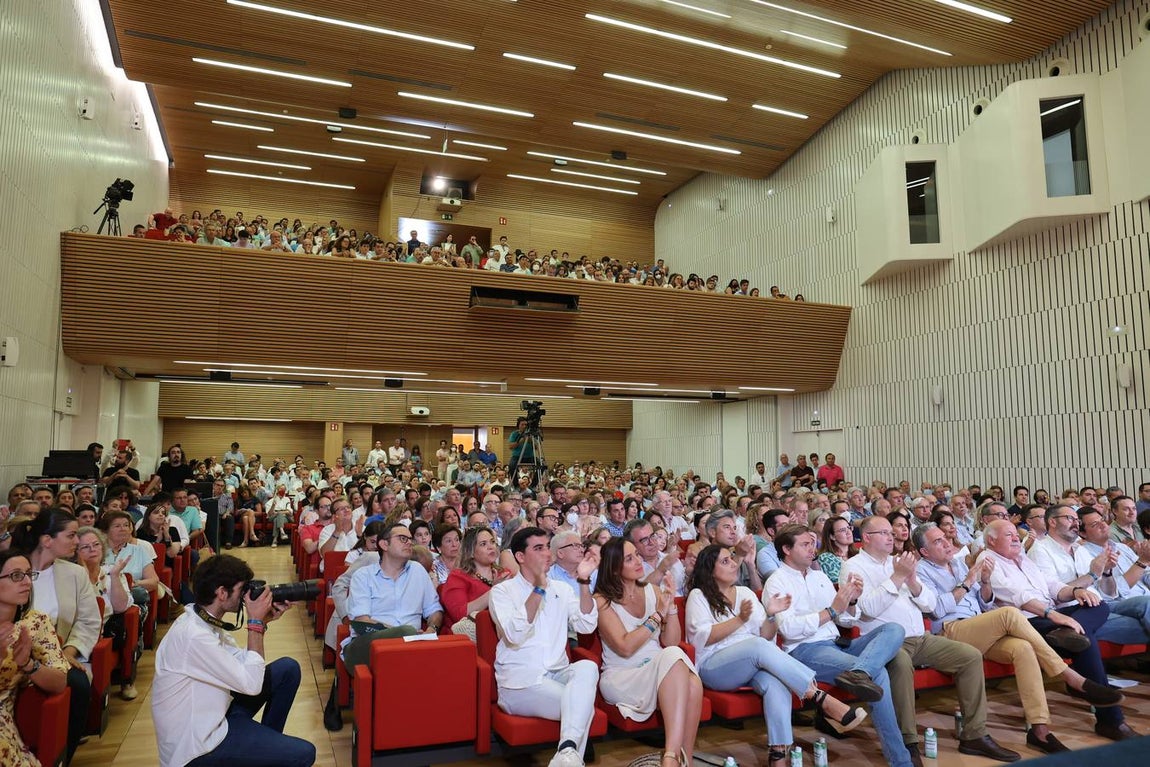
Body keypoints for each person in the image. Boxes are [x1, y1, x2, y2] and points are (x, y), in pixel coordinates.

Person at [912, 522, 1121, 754]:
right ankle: (1069, 676)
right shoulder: (921, 571)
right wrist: (969, 581)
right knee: (1010, 613)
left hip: (980, 628)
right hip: (951, 631)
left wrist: (985, 582)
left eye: (946, 538)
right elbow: (936, 610)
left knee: (1023, 649)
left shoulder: (960, 565)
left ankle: (1039, 730)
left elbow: (984, 603)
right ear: (924, 552)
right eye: (938, 541)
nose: (947, 543)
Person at [840, 516, 1018, 764]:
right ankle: (908, 741)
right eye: (883, 532)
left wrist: (911, 580)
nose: (891, 537)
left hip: (919, 638)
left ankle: (974, 734)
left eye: (892, 532)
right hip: (885, 642)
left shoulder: (898, 562)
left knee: (969, 656)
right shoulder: (853, 566)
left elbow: (930, 604)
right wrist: (898, 578)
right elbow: (866, 609)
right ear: (866, 538)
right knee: (901, 664)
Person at [686, 544, 865, 767]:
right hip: (715, 666)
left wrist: (770, 615)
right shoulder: (698, 595)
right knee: (757, 646)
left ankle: (778, 755)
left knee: (775, 682)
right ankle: (818, 696)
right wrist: (740, 620)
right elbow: (702, 638)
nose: (733, 563)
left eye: (732, 559)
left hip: (752, 661)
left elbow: (766, 635)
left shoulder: (745, 592)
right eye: (724, 561)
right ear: (709, 569)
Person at [979, 519, 1138, 741]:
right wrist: (1055, 615)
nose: (1016, 538)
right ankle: (1111, 721)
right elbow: (1018, 597)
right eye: (1009, 535)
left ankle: (1071, 635)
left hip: (1053, 618)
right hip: (1028, 623)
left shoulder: (1022, 559)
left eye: (1016, 534)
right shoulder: (987, 560)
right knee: (1084, 639)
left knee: (1096, 604)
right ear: (991, 540)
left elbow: (1052, 585)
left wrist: (1075, 592)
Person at [765, 525, 910, 767]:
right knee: (880, 673)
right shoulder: (776, 582)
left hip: (837, 642)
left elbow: (845, 620)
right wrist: (831, 610)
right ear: (786, 549)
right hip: (805, 650)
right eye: (805, 544)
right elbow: (788, 629)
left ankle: (860, 672)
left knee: (894, 629)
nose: (813, 549)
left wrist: (851, 601)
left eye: (813, 543)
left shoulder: (819, 576)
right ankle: (901, 761)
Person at [152, 554, 315, 767]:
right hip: (196, 746)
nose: (246, 596)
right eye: (242, 590)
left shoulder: (201, 619)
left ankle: (265, 753)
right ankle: (265, 753)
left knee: (287, 669)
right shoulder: (193, 635)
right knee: (303, 753)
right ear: (221, 593)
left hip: (215, 714)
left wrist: (263, 622)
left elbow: (241, 661)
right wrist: (254, 623)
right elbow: (251, 684)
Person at [489, 527, 601, 767]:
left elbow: (586, 626)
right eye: (538, 548)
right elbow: (514, 633)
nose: (547, 554)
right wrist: (538, 588)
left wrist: (582, 581)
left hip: (557, 673)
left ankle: (566, 755)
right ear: (520, 556)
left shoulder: (561, 589)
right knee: (582, 708)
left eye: (546, 547)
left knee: (588, 668)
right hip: (520, 681)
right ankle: (569, 754)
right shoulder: (502, 591)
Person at [594, 538, 702, 767]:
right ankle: (671, 757)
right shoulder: (601, 600)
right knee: (673, 658)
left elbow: (671, 641)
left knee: (692, 682)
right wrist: (657, 617)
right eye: (629, 558)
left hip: (661, 667)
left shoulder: (652, 590)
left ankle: (684, 760)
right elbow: (625, 647)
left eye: (637, 555)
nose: (638, 561)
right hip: (623, 675)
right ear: (614, 567)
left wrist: (671, 607)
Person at [11, 507, 100, 761]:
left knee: (80, 684)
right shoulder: (14, 568)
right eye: (71, 536)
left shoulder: (74, 573)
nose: (77, 542)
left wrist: (67, 651)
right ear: (47, 539)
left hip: (60, 653)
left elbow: (88, 620)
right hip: (11, 651)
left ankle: (62, 756)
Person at [0, 548, 70, 767]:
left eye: (28, 574)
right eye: (16, 576)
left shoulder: (34, 622)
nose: (26, 582)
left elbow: (60, 682)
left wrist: (28, 664)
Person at [342, 522, 443, 669]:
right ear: (384, 544)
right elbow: (362, 621)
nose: (409, 542)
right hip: (369, 644)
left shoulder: (418, 571)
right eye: (402, 538)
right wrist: (406, 635)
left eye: (410, 539)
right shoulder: (363, 576)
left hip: (413, 645)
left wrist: (431, 629)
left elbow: (434, 610)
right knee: (406, 631)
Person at [75, 526, 137, 699]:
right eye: (85, 547)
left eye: (96, 545)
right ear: (76, 552)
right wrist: (84, 574)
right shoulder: (72, 577)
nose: (92, 549)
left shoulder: (111, 571)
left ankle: (125, 680)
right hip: (77, 632)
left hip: (104, 632)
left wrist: (116, 576)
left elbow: (120, 607)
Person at [440, 526, 511, 633]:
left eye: (492, 542)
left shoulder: (504, 574)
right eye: (483, 544)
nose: (491, 547)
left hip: (504, 632)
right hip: (469, 638)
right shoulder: (458, 577)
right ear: (471, 552)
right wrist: (494, 591)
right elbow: (460, 615)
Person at [817, 514, 854, 584]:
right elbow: (839, 583)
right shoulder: (826, 558)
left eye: (849, 528)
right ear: (832, 536)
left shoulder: (858, 553)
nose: (848, 532)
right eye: (843, 530)